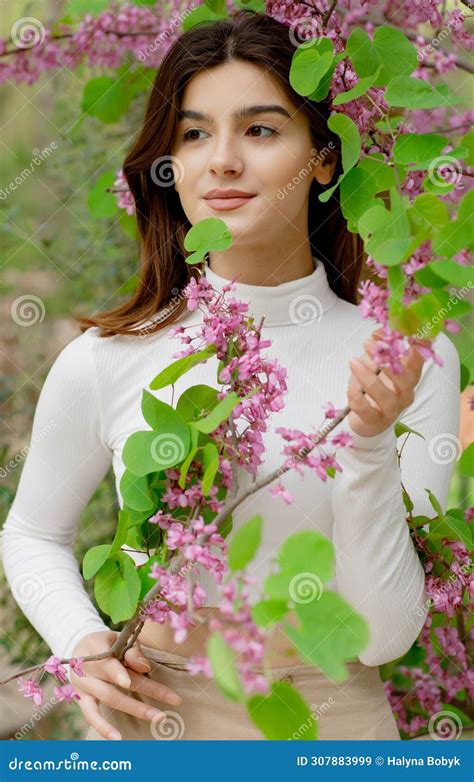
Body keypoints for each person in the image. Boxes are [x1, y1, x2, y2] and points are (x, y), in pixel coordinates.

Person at [1, 11, 460, 741]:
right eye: (192, 134)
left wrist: (369, 443)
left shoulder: (404, 357)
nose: (221, 160)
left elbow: (383, 636)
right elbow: (31, 532)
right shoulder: (108, 358)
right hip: (152, 724)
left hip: (333, 733)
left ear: (323, 159)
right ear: (169, 164)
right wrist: (80, 643)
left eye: (261, 129)